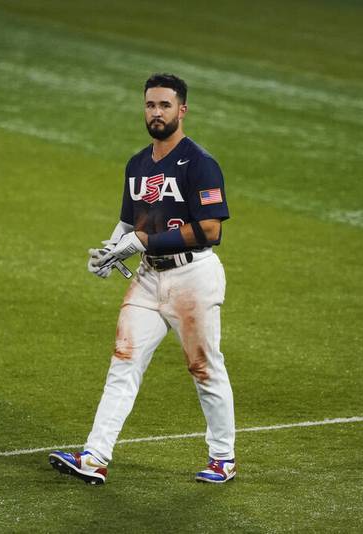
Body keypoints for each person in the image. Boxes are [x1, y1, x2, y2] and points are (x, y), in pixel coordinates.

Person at [49, 73, 236, 485]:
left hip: (194, 277)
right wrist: (110, 248)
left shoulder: (200, 164)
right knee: (124, 361)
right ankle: (95, 458)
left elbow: (210, 231)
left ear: (182, 110)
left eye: (165, 106)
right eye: (150, 105)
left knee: (204, 367)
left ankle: (223, 458)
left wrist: (143, 240)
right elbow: (127, 222)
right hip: (150, 278)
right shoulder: (136, 164)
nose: (156, 113)